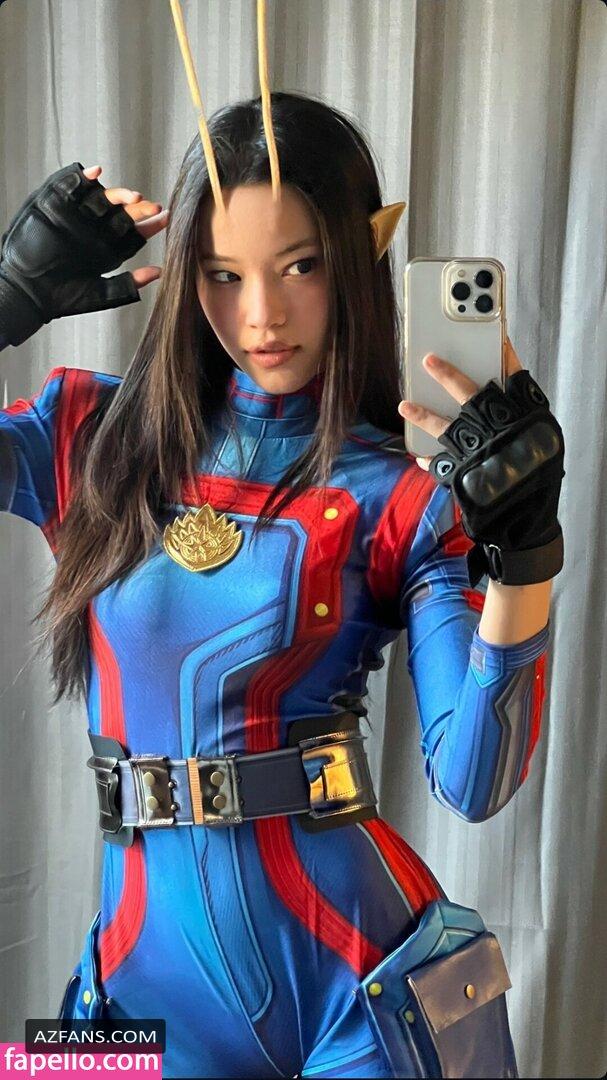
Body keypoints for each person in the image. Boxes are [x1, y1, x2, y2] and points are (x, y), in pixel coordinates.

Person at [0, 92, 564, 1079]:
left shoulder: (404, 493)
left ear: (357, 255)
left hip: (366, 997)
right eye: (222, 274)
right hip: (127, 993)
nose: (260, 316)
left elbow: (476, 781)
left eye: (300, 266)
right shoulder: (89, 436)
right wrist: (8, 298)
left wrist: (526, 553)